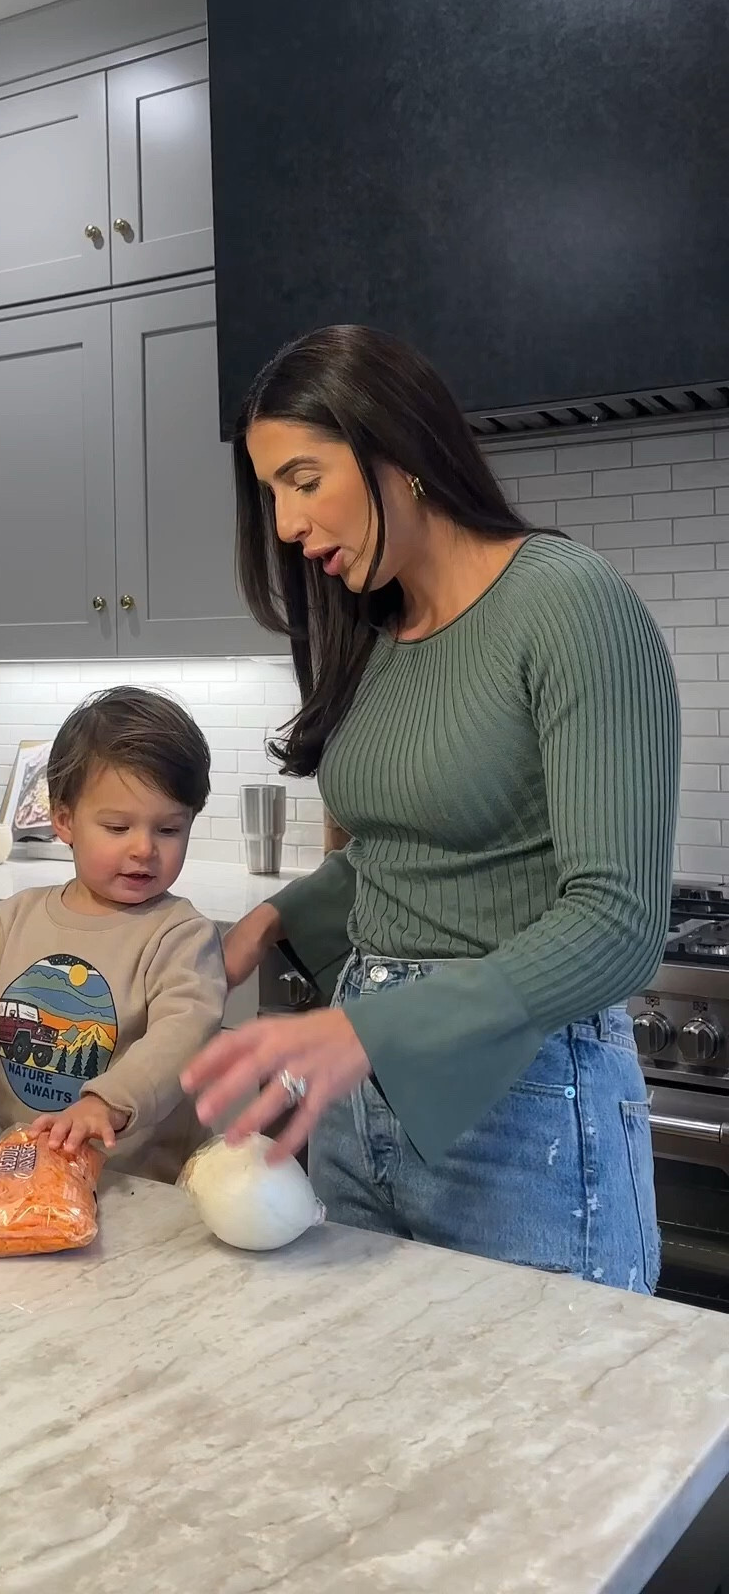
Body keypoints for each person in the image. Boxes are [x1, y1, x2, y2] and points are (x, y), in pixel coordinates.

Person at [183, 326, 679, 1293]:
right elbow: (407, 850)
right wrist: (271, 921)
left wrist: (370, 1031)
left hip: (523, 1107)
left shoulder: (571, 605)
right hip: (358, 1106)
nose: (284, 523)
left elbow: (620, 925)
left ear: (397, 450)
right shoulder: (379, 626)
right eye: (270, 491)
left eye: (303, 478)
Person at [0, 687, 226, 1183]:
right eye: (117, 827)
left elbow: (182, 1037)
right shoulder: (15, 919)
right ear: (65, 820)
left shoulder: (181, 936)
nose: (144, 849)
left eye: (170, 830)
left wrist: (107, 1103)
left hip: (143, 1188)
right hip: (31, 1178)